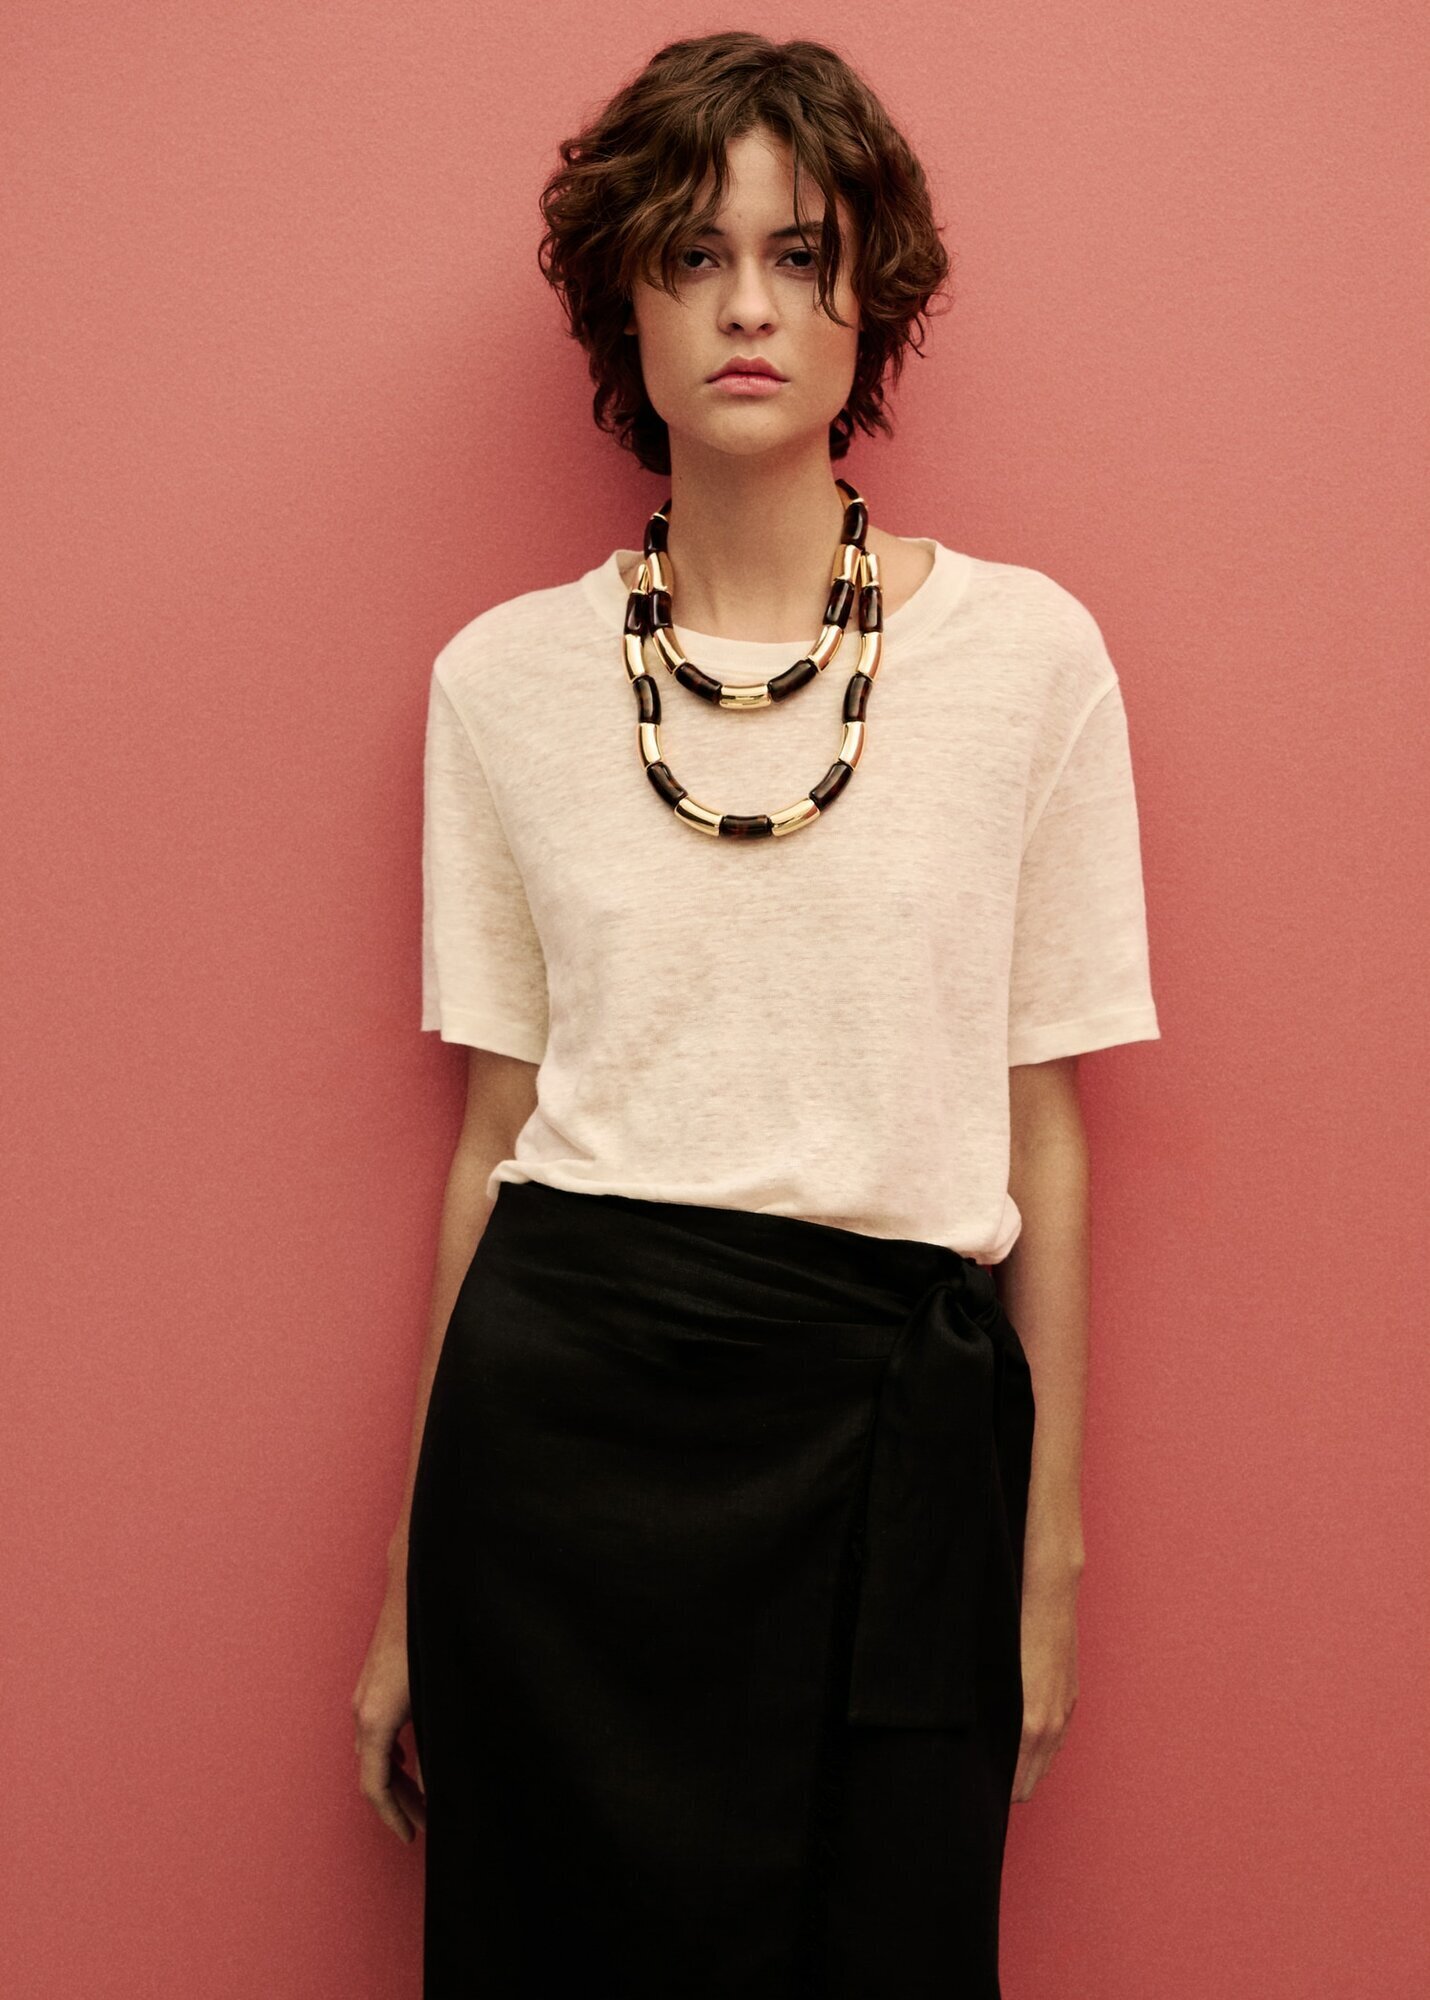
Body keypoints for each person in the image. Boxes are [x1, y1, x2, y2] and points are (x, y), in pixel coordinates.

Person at [353, 30, 1160, 2000]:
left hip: (894, 1443)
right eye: (692, 254)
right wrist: (402, 1588)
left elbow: (1042, 1127)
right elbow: (495, 1138)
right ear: (618, 299)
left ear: (869, 296)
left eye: (800, 255)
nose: (745, 307)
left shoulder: (1028, 658)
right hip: (557, 1464)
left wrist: (1047, 1545)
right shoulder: (498, 684)